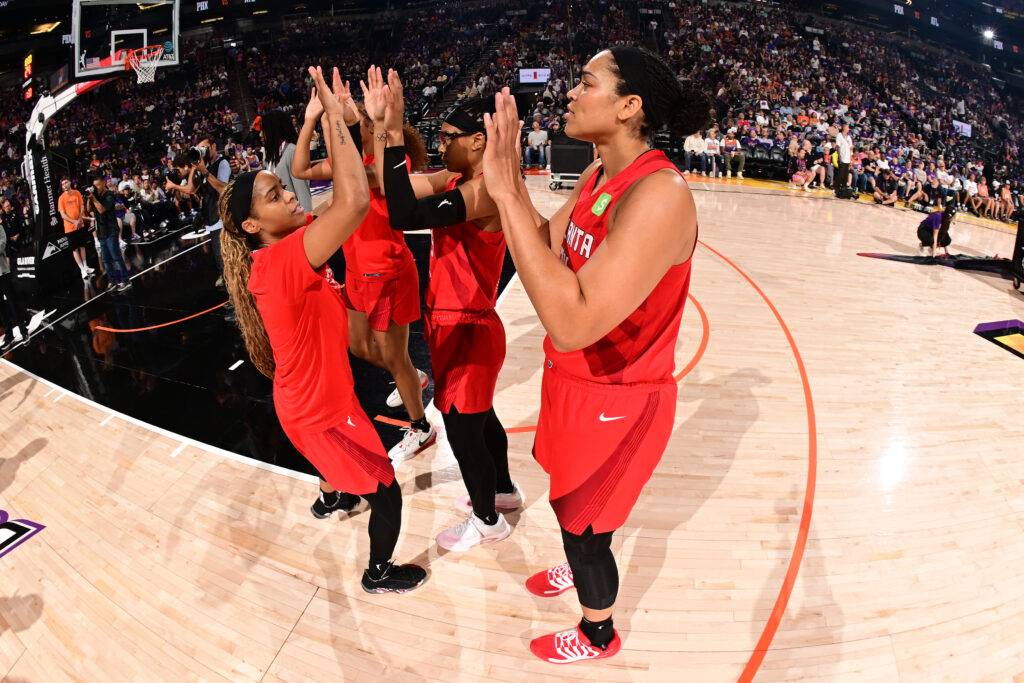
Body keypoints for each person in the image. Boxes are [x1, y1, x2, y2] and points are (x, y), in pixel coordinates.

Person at [480, 46, 709, 663]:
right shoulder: (596, 175)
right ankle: (579, 549)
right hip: (575, 384)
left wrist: (506, 196)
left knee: (586, 532)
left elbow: (572, 322)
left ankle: (597, 632)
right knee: (567, 503)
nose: (572, 93)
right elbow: (544, 245)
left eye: (586, 83)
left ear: (629, 106)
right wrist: (509, 182)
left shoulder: (660, 194)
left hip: (621, 401)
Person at [219, 66, 426, 594]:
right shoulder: (282, 261)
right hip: (320, 413)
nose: (290, 195)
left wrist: (345, 123)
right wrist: (336, 118)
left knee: (349, 451)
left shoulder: (291, 245)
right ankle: (378, 574)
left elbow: (338, 193)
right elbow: (353, 201)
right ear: (252, 226)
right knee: (387, 490)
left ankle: (333, 492)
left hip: (320, 398)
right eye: (275, 197)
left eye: (282, 189)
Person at [367, 68, 523, 553]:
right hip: (453, 322)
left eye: (448, 137)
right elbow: (390, 185)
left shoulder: (485, 190)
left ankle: (487, 521)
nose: (440, 145)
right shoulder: (457, 178)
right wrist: (381, 128)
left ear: (477, 141)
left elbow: (404, 214)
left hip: (468, 326)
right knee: (481, 419)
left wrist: (397, 133)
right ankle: (503, 491)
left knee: (462, 429)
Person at [291, 77, 435, 463]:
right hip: (357, 274)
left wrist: (371, 119)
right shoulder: (349, 167)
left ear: (371, 128)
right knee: (358, 346)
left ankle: (421, 428)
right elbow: (300, 168)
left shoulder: (387, 168)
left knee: (394, 355)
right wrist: (312, 119)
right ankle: (411, 376)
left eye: (355, 122)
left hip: (389, 275)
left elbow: (382, 179)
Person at [261, 109, 313, 213]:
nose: (261, 135)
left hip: (294, 216)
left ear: (273, 130)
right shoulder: (270, 158)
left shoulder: (292, 152)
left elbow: (303, 193)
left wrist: (307, 219)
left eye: (263, 130)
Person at [87, 174, 132, 292]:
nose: (96, 188)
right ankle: (112, 282)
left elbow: (102, 210)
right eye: (94, 186)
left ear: (103, 183)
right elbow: (89, 210)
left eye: (98, 185)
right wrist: (89, 198)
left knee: (116, 257)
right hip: (101, 232)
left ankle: (126, 281)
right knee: (105, 260)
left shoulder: (110, 195)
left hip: (111, 230)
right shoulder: (96, 196)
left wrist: (94, 199)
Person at [0, 217, 28, 352]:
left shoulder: (0, 227)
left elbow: (2, 245)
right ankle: (9, 335)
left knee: (12, 302)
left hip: (3, 272)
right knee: (1, 308)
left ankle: (23, 330)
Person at [58, 178, 94, 279]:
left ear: (69, 183)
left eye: (66, 183)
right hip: (70, 228)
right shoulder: (61, 198)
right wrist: (74, 222)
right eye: (63, 184)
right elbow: (63, 215)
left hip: (80, 224)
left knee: (82, 246)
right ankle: (82, 270)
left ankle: (86, 267)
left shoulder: (77, 193)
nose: (65, 185)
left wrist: (79, 219)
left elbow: (82, 207)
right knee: (75, 249)